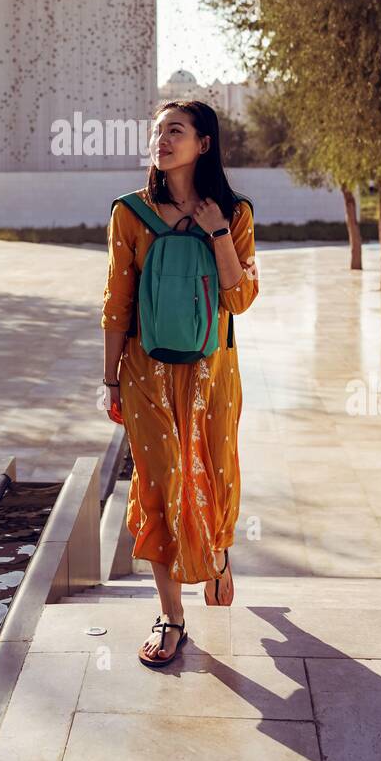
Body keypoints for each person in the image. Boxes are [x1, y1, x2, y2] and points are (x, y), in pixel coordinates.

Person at [101, 99, 259, 667]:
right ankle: (172, 616)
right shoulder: (130, 213)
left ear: (204, 144)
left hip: (212, 372)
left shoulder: (234, 213)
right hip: (146, 372)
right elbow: (116, 302)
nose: (161, 140)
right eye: (156, 132)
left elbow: (241, 296)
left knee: (213, 473)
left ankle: (216, 551)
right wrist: (110, 379)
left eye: (175, 131)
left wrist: (218, 234)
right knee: (159, 484)